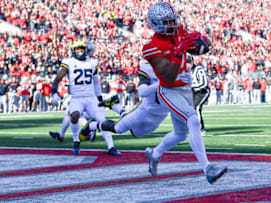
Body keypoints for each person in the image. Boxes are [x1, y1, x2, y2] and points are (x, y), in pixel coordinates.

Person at [141, 2, 227, 184]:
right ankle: (207, 168)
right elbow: (168, 77)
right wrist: (179, 52)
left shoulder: (178, 31)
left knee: (180, 134)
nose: (174, 25)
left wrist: (201, 44)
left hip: (185, 88)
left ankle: (154, 154)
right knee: (193, 120)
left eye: (174, 20)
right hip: (168, 90)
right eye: (168, 22)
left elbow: (201, 47)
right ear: (156, 24)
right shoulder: (151, 47)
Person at [51, 40, 119, 155]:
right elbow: (57, 79)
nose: (80, 52)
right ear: (73, 51)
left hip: (91, 98)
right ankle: (76, 141)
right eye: (77, 49)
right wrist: (54, 92)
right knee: (74, 115)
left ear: (85, 50)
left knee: (102, 120)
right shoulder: (69, 62)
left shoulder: (92, 62)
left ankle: (111, 147)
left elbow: (96, 82)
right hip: (77, 98)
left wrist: (100, 99)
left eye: (82, 49)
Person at [80, 62, 169, 140]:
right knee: (118, 128)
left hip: (161, 113)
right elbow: (142, 92)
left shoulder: (178, 68)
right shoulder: (147, 67)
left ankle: (115, 105)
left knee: (135, 132)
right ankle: (91, 125)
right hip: (146, 108)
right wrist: (161, 84)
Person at [189, 55, 210, 136]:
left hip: (203, 91)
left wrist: (192, 86)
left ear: (192, 62)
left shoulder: (199, 69)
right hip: (194, 92)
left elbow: (204, 83)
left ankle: (201, 129)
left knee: (197, 108)